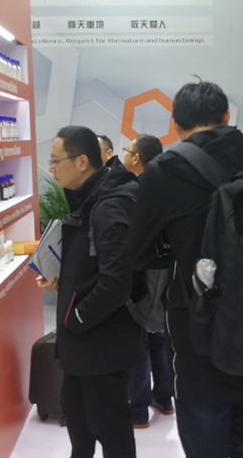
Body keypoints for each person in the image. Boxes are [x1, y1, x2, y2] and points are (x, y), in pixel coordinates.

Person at [125, 81, 243, 458]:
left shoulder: (164, 169)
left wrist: (174, 246)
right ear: (226, 115)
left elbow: (139, 253)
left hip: (201, 330)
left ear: (175, 122)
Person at [38, 126, 144, 458]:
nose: (52, 169)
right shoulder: (91, 197)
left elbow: (116, 282)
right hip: (85, 344)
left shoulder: (108, 206)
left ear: (82, 161)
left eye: (56, 161)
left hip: (102, 342)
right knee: (77, 417)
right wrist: (64, 281)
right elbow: (93, 266)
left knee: (109, 427)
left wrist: (76, 318)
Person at [121, 134, 174, 428]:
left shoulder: (142, 188)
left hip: (149, 272)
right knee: (158, 338)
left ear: (136, 157)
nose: (123, 155)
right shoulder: (165, 183)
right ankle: (164, 398)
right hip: (164, 269)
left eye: (126, 150)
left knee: (139, 338)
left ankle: (139, 410)